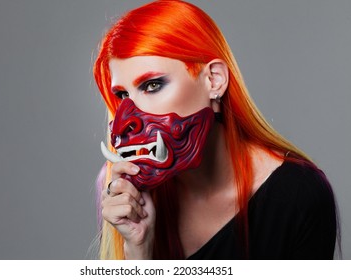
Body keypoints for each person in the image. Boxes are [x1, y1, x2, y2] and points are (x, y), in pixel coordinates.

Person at [93, 0, 337, 259]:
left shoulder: (298, 195)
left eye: (152, 85)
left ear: (214, 80)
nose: (125, 120)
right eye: (121, 95)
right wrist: (138, 250)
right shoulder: (120, 191)